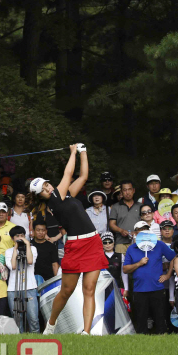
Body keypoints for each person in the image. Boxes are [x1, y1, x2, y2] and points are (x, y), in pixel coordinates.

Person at [28, 144, 108, 335]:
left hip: (93, 242)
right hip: (75, 245)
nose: (48, 187)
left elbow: (83, 177)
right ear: (41, 196)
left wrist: (84, 151)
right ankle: (51, 325)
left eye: (47, 184)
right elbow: (69, 173)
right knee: (66, 291)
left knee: (89, 290)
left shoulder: (66, 195)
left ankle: (87, 333)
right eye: (44, 189)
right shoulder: (54, 199)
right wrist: (72, 152)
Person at [123, 221, 177, 334]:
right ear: (135, 233)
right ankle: (142, 343)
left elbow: (174, 258)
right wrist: (139, 263)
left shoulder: (159, 244)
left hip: (157, 288)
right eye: (140, 229)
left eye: (145, 228)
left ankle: (162, 340)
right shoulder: (132, 248)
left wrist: (168, 274)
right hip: (139, 289)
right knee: (141, 320)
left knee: (160, 319)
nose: (143, 231)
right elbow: (125, 269)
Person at [5, 226, 39, 333]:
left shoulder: (32, 248)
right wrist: (15, 249)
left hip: (30, 287)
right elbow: (13, 266)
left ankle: (36, 343)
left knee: (33, 319)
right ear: (12, 238)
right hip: (13, 288)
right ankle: (19, 344)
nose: (20, 238)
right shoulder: (9, 251)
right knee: (17, 320)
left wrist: (27, 244)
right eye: (17, 236)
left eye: (22, 235)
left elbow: (29, 261)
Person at [108, 180, 141, 254]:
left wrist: (137, 232)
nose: (127, 192)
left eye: (129, 189)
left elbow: (145, 224)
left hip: (138, 242)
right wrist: (121, 231)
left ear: (133, 190)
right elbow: (111, 224)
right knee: (119, 265)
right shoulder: (116, 207)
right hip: (120, 243)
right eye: (125, 190)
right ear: (121, 192)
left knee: (138, 264)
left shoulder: (140, 206)